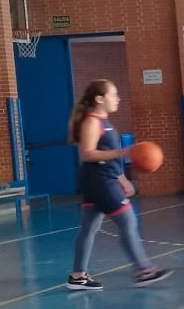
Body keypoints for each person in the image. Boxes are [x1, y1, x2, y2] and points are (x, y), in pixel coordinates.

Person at [63, 80, 170, 291]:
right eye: (113, 95)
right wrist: (124, 152)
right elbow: (87, 153)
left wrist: (122, 179)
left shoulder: (106, 122)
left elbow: (109, 158)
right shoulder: (92, 122)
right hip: (101, 182)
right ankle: (144, 271)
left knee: (89, 229)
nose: (118, 98)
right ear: (99, 99)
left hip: (101, 180)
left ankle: (77, 276)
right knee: (127, 221)